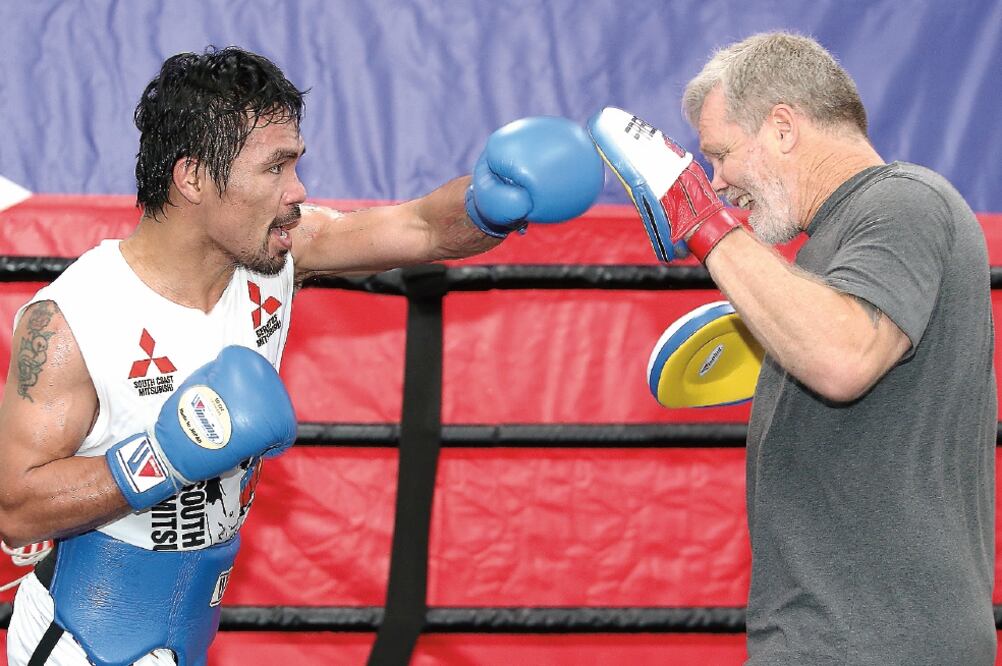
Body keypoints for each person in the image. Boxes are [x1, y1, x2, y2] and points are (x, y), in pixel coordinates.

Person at [0, 46, 603, 666]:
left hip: (187, 631)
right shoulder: (75, 318)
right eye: (275, 168)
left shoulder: (277, 256)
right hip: (81, 637)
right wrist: (167, 454)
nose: (298, 190)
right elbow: (15, 509)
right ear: (193, 178)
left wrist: (488, 206)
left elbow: (421, 227)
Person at [590, 32, 996, 664]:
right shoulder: (828, 248)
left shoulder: (903, 201)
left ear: (782, 127)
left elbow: (842, 358)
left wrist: (699, 219)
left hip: (876, 641)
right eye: (709, 171)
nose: (718, 182)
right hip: (848, 637)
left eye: (721, 155)